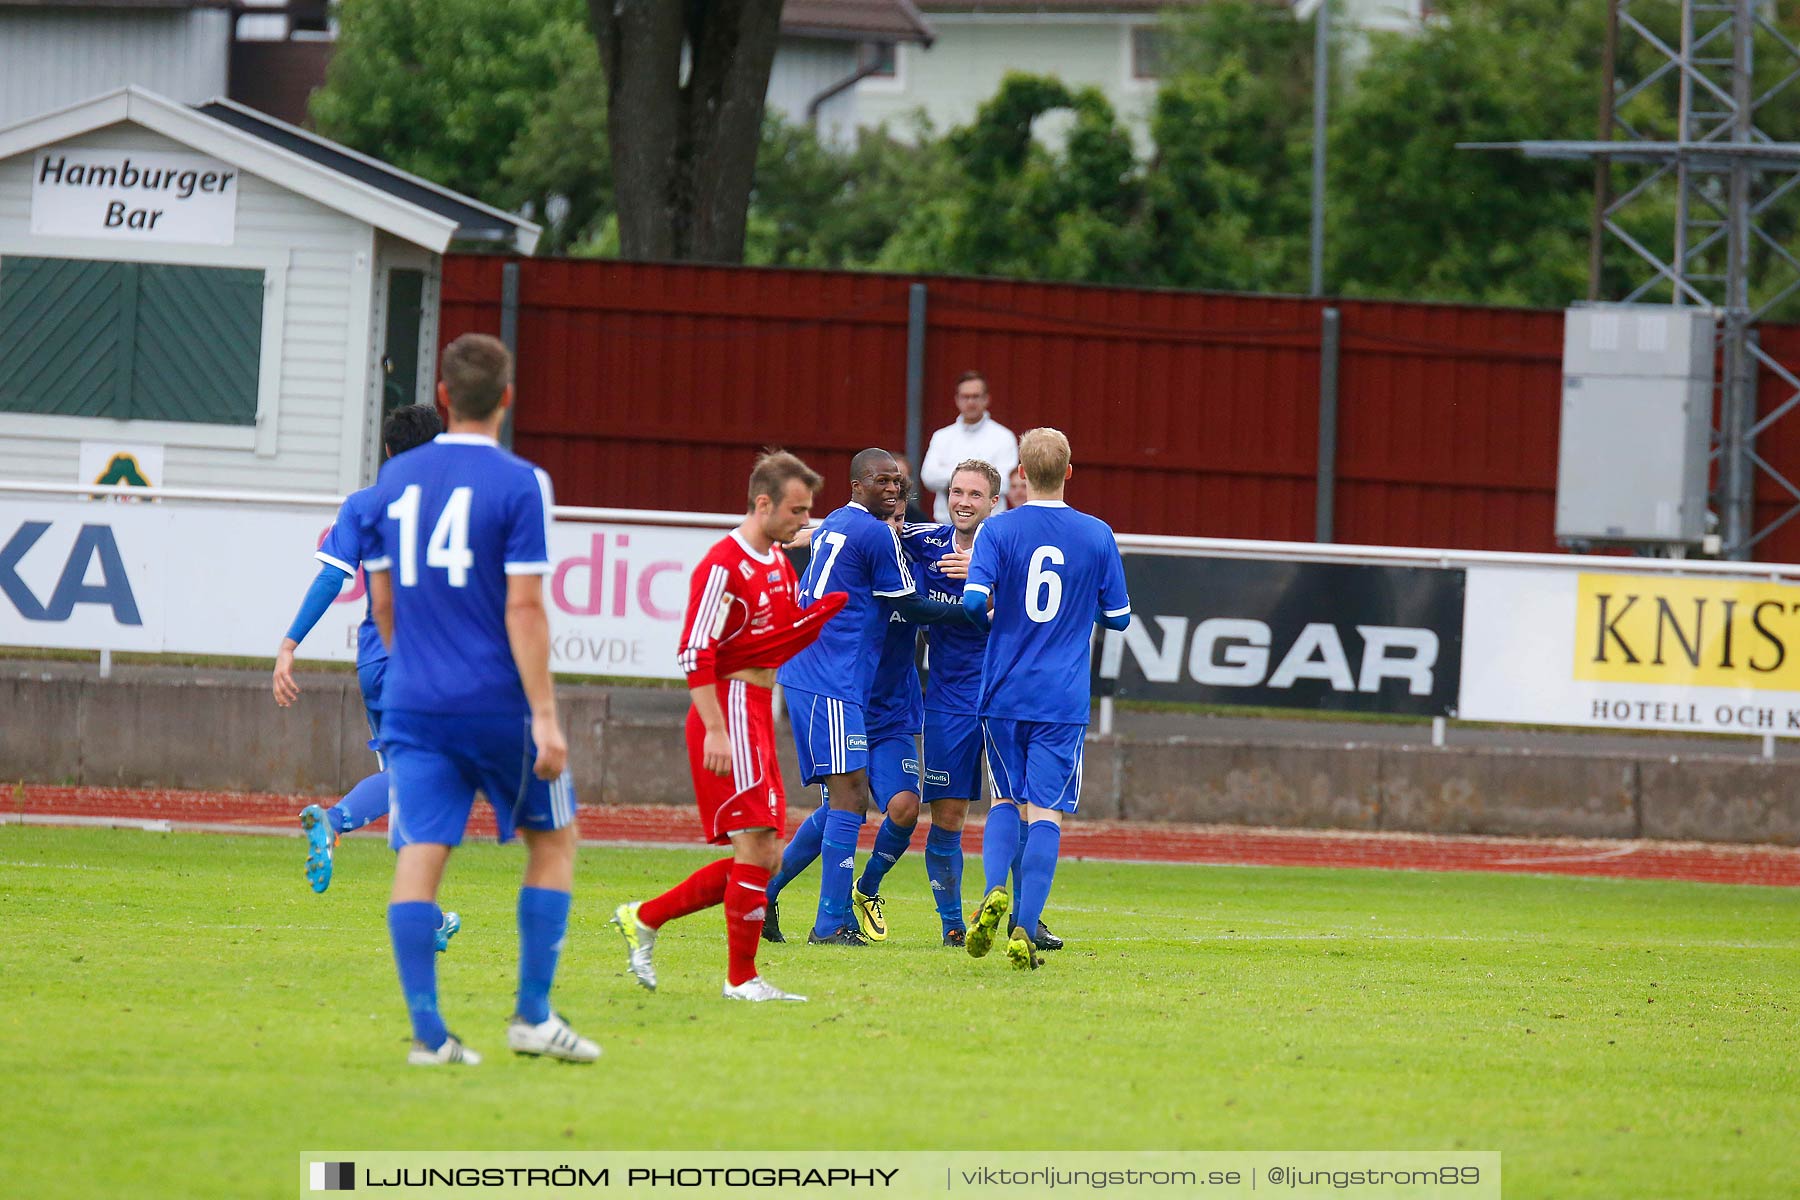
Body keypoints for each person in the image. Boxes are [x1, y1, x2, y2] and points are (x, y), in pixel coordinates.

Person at [358, 333, 596, 1065]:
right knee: (553, 842)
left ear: (441, 398)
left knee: (421, 852)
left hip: (414, 702)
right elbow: (524, 609)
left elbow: (384, 605)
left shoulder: (387, 487)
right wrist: (548, 719)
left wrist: (413, 678)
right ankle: (530, 1015)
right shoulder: (523, 482)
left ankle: (430, 1036)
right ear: (506, 398)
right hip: (497, 704)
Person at [609, 452, 846, 1002]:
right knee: (759, 846)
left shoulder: (777, 563)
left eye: (808, 511)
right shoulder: (723, 563)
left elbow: (779, 637)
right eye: (796, 510)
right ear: (763, 503)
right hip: (729, 710)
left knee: (767, 854)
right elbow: (696, 650)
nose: (802, 521)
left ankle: (645, 917)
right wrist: (715, 729)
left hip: (757, 710)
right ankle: (741, 979)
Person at [772, 447, 970, 946]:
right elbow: (911, 604)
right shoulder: (874, 537)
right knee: (848, 799)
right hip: (834, 681)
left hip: (879, 702)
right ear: (859, 487)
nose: (895, 499)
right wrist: (975, 610)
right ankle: (824, 919)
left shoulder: (877, 534)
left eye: (900, 491)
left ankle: (844, 897)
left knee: (895, 805)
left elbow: (979, 538)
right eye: (884, 486)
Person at [274, 407, 455, 945]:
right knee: (427, 779)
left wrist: (288, 646)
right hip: (426, 662)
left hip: (375, 662)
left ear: (389, 453)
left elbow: (331, 579)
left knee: (407, 787)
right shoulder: (451, 509)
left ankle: (428, 916)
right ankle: (335, 821)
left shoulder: (362, 506)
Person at [961, 427, 1131, 970]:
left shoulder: (998, 529)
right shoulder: (1097, 534)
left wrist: (996, 609)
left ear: (1020, 474)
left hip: (1004, 688)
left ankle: (993, 889)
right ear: (1069, 472)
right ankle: (1025, 928)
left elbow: (971, 603)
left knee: (1005, 802)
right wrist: (1080, 610)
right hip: (1060, 697)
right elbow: (1121, 616)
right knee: (1049, 813)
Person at [919, 372, 1018, 523]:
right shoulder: (942, 436)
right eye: (966, 397)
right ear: (957, 400)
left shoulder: (1004, 437)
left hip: (989, 527)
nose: (970, 402)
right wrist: (980, 479)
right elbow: (928, 476)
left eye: (976, 396)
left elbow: (1004, 483)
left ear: (986, 399)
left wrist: (952, 478)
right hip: (946, 524)